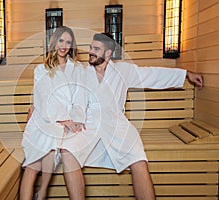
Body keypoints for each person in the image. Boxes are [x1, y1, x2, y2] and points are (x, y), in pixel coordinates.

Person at [82, 33, 203, 200]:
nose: (91, 52)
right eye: (91, 48)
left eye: (96, 49)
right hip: (89, 125)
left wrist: (185, 74)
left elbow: (152, 75)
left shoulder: (122, 70)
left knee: (138, 158)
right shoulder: (81, 73)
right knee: (64, 152)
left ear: (108, 53)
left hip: (117, 124)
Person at [19, 26, 90, 200]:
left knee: (50, 152)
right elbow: (43, 97)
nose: (64, 46)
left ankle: (41, 193)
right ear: (54, 42)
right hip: (45, 118)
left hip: (65, 121)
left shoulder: (79, 69)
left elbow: (81, 95)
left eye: (68, 42)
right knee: (33, 163)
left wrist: (76, 118)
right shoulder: (41, 70)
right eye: (61, 41)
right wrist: (62, 118)